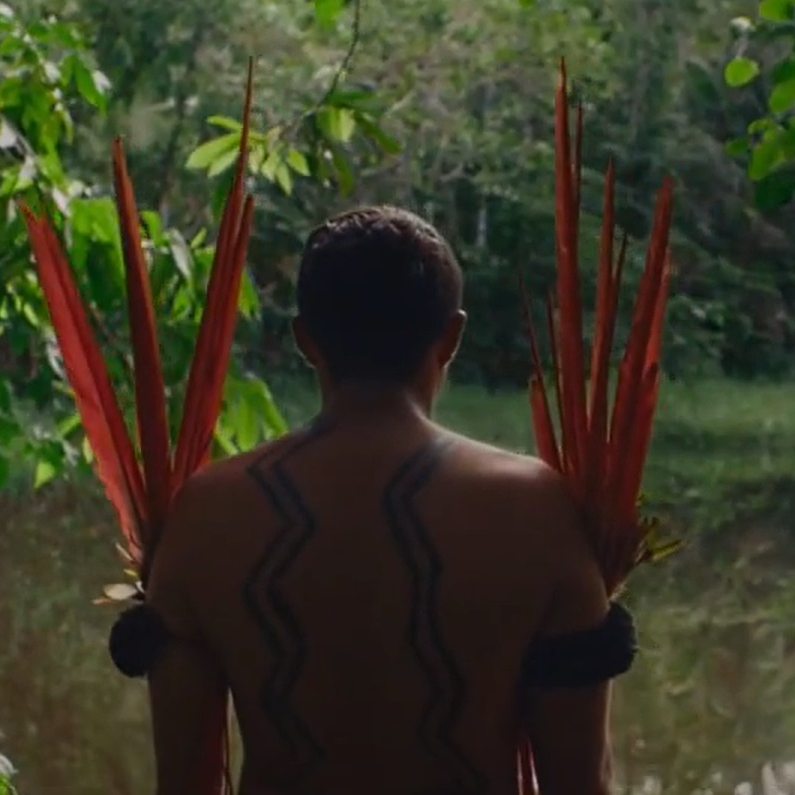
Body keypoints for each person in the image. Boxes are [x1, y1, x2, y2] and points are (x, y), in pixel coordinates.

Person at [135, 206, 631, 794]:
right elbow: (580, 783)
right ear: (451, 337)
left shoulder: (207, 513)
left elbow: (183, 784)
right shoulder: (535, 511)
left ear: (305, 340)